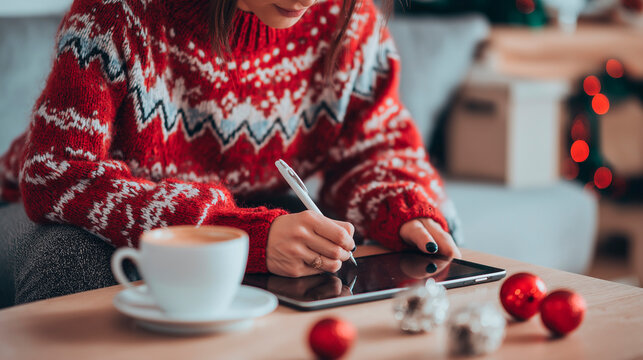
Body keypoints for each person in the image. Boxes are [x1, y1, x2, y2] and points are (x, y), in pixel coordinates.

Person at [0, 0, 461, 304]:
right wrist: (234, 236)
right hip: (51, 205)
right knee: (70, 259)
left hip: (247, 208)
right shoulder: (117, 13)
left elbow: (375, 149)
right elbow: (57, 174)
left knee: (430, 226)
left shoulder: (348, 20)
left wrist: (396, 203)